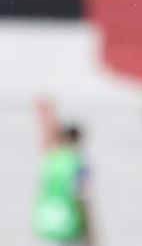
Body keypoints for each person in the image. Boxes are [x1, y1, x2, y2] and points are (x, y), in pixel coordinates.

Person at [32, 99, 93, 246]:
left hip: (47, 222)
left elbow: (46, 141)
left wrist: (46, 113)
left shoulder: (51, 159)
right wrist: (90, 232)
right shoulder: (78, 163)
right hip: (70, 225)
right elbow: (82, 198)